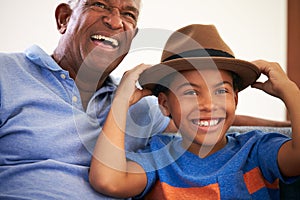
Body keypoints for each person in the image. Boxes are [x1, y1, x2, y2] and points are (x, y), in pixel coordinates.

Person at [0, 0, 290, 199]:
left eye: (128, 13)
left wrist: (285, 124)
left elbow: (208, 115)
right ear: (64, 18)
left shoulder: (138, 105)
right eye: (99, 4)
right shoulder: (6, 73)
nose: (114, 21)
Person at [89, 24, 300, 199]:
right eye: (190, 92)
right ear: (164, 104)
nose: (208, 105)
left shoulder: (257, 149)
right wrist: (121, 101)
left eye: (221, 90)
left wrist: (290, 91)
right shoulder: (159, 157)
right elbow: (109, 180)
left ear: (235, 99)